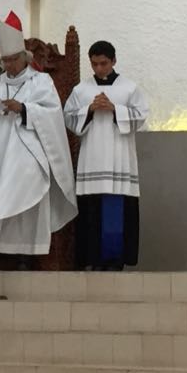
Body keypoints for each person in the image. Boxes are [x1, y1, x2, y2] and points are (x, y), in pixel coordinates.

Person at [0, 12, 77, 261]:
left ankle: (23, 254)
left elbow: (52, 114)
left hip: (26, 147)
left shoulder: (41, 82)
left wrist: (23, 109)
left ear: (25, 57)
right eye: (6, 60)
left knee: (27, 178)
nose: (9, 65)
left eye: (14, 59)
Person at [64, 41, 149, 271]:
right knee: (92, 213)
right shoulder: (81, 90)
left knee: (117, 216)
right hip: (91, 161)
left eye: (103, 63)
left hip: (120, 161)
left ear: (113, 61)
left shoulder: (129, 88)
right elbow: (69, 118)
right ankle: (93, 260)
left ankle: (115, 262)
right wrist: (89, 109)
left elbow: (141, 117)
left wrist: (114, 109)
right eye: (94, 64)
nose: (99, 69)